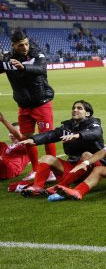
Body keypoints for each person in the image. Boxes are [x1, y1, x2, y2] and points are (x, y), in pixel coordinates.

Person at [16, 100, 105, 197]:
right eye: (73, 108)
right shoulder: (67, 126)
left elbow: (96, 132)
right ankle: (37, 187)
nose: (75, 110)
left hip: (93, 167)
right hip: (74, 167)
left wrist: (78, 135)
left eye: (79, 108)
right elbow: (51, 134)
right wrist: (33, 139)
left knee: (86, 154)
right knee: (47, 158)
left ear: (87, 113)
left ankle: (61, 186)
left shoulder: (94, 123)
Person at [0, 30, 56, 181]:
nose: (24, 47)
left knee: (48, 137)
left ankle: (52, 170)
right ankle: (36, 170)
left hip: (41, 102)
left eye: (26, 44)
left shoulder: (36, 53)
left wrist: (23, 67)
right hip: (24, 105)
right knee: (26, 138)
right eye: (20, 45)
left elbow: (41, 68)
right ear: (13, 45)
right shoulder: (8, 58)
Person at [0, 111, 30, 182]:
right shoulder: (4, 146)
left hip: (12, 169)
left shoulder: (26, 145)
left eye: (13, 132)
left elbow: (18, 136)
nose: (12, 134)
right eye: (10, 132)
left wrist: (3, 121)